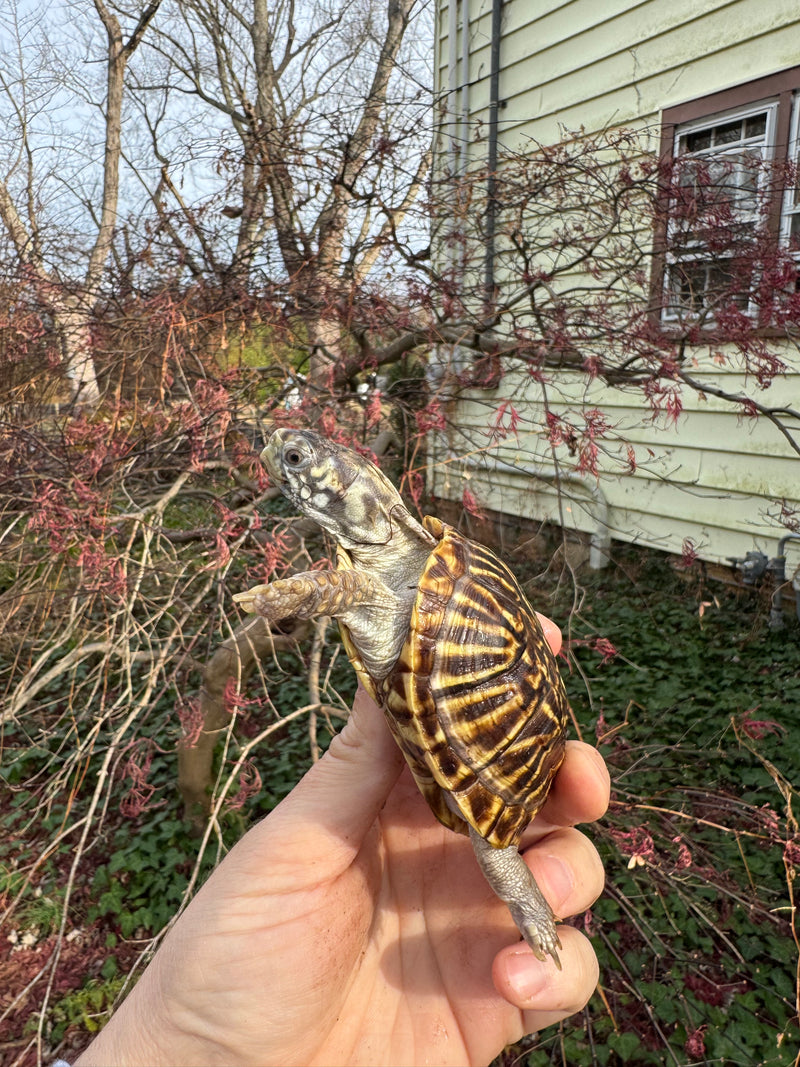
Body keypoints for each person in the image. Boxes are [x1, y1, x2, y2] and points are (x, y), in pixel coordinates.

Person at [74, 616, 609, 1067]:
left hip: (491, 739)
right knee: (496, 844)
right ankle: (530, 904)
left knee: (498, 847)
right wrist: (181, 1044)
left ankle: (531, 907)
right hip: (477, 736)